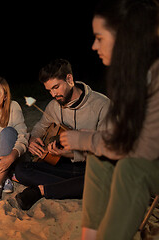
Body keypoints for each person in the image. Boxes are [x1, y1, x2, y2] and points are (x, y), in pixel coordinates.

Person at [59, 0, 159, 239]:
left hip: (148, 162)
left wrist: (81, 140)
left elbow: (143, 149)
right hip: (145, 158)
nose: (94, 46)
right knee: (99, 158)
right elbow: (114, 136)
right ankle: (89, 236)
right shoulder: (131, 77)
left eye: (100, 37)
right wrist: (75, 145)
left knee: (131, 169)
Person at [14, 58, 110, 210]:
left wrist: (72, 154)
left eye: (56, 87)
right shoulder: (54, 106)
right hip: (64, 166)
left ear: (69, 79)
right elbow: (40, 126)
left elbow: (107, 149)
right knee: (21, 170)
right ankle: (70, 186)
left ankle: (40, 190)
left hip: (92, 166)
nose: (53, 94)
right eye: (49, 90)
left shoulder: (102, 105)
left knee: (104, 179)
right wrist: (33, 139)